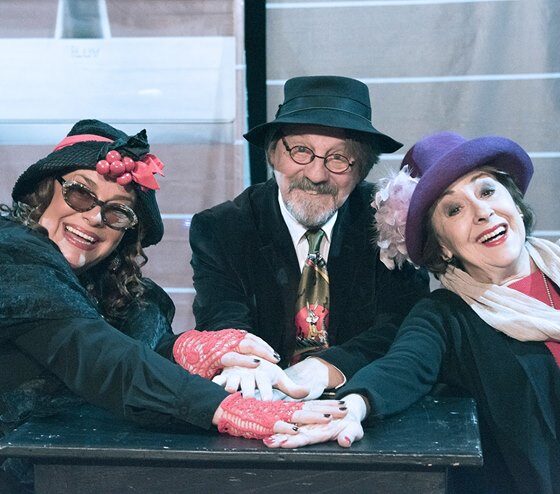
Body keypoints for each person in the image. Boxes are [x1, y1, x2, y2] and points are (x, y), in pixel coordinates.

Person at [0, 119, 346, 492]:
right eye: (80, 194)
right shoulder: (13, 258)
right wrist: (225, 409)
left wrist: (192, 348)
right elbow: (99, 354)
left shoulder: (113, 288)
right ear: (44, 191)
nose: (95, 217)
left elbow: (139, 347)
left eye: (117, 212)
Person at [265, 132, 560, 493]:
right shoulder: (445, 317)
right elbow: (402, 367)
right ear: (443, 246)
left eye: (486, 191)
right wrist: (352, 407)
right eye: (454, 210)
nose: (482, 212)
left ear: (514, 202)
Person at [189, 76, 430, 398]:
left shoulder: (392, 221)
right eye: (301, 151)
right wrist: (246, 362)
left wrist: (324, 368)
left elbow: (402, 327)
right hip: (258, 394)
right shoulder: (222, 228)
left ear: (361, 171)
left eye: (339, 158)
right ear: (273, 155)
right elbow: (223, 319)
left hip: (364, 394)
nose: (317, 175)